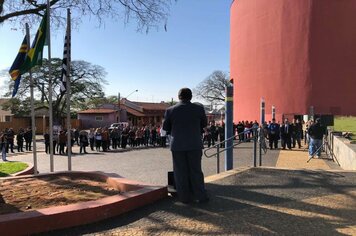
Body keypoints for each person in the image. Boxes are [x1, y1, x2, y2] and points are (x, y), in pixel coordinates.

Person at [163, 87, 209, 204]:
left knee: (180, 172)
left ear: (179, 97)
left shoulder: (170, 110)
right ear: (191, 97)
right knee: (196, 171)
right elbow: (204, 123)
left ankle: (184, 198)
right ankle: (200, 196)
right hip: (194, 144)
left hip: (177, 145)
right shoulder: (199, 108)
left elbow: (165, 127)